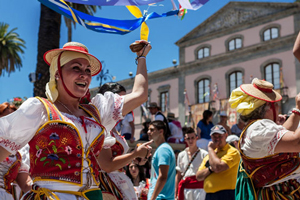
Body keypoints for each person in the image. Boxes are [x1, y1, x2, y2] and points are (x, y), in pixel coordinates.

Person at [0, 40, 152, 200]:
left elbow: (139, 95)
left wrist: (141, 58)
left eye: (87, 70)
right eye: (76, 68)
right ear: (58, 73)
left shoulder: (97, 112)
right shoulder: (39, 109)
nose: (84, 74)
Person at [229, 78, 300, 199]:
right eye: (276, 105)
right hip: (277, 195)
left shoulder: (255, 129)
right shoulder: (258, 129)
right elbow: (296, 142)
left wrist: (297, 111)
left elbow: (284, 137)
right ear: (267, 107)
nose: (278, 108)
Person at [98, 82, 141, 200]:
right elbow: (107, 165)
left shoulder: (113, 127)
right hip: (107, 185)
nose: (125, 103)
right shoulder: (102, 126)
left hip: (119, 182)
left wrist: (135, 157)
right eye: (121, 99)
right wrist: (134, 154)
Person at [196, 125, 240, 200]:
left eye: (220, 136)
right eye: (214, 136)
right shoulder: (210, 154)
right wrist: (210, 169)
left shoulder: (233, 152)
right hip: (210, 196)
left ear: (226, 135)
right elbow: (198, 176)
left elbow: (218, 167)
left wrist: (210, 149)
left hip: (226, 195)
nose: (217, 139)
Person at [0, 102, 32, 200]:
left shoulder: (20, 150)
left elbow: (25, 184)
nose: (10, 124)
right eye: (6, 118)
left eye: (14, 120)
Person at [175, 127, 207, 200]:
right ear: (185, 139)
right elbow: (178, 175)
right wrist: (175, 192)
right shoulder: (181, 155)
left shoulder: (204, 154)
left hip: (199, 188)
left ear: (196, 138)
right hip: (185, 187)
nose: (190, 140)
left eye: (192, 138)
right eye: (188, 138)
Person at [147, 120, 176, 200]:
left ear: (161, 131)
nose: (148, 132)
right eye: (148, 129)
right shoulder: (162, 148)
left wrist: (152, 198)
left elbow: (162, 177)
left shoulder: (163, 149)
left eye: (152, 130)